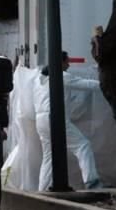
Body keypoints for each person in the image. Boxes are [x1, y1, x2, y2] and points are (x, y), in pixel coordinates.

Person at [35, 51, 102, 191]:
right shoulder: (61, 76)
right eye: (67, 62)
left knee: (49, 157)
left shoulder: (40, 79)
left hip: (40, 120)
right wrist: (107, 85)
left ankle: (42, 190)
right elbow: (86, 84)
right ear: (60, 63)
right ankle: (92, 182)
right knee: (83, 145)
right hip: (54, 118)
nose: (69, 65)